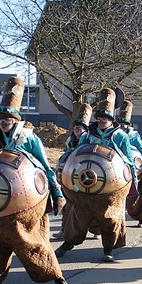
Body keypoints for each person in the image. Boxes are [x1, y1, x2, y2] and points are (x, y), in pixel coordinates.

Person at [0, 76, 69, 284]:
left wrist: (57, 193)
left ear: (16, 120)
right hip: (1, 202)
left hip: (29, 200)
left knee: (33, 240)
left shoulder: (28, 138)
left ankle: (56, 277)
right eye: (1, 118)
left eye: (8, 118)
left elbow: (44, 166)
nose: (4, 122)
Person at [54, 87, 136, 262]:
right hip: (87, 181)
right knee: (79, 213)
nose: (101, 121)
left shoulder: (120, 136)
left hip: (111, 185)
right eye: (99, 118)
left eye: (105, 118)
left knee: (110, 217)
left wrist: (132, 185)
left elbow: (128, 160)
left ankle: (108, 249)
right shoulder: (88, 135)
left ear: (111, 120)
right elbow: (78, 152)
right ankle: (68, 243)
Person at [53, 103, 92, 240]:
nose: (77, 129)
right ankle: (64, 230)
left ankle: (95, 231)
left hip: (84, 178)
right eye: (76, 127)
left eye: (80, 127)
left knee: (89, 206)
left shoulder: (89, 140)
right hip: (69, 177)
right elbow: (66, 154)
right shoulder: (70, 140)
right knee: (68, 206)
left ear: (85, 129)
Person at [118, 100, 142, 227]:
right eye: (120, 123)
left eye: (125, 124)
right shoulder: (115, 134)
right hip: (119, 168)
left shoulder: (133, 135)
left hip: (136, 168)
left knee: (140, 193)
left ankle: (140, 217)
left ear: (128, 124)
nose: (122, 126)